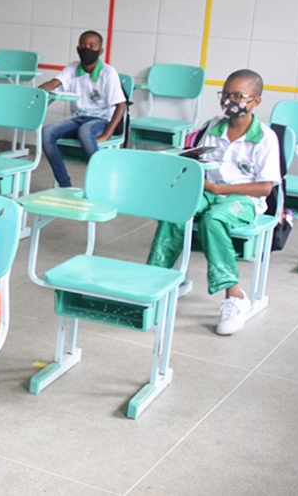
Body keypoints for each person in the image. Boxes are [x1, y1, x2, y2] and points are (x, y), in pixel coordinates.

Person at [147, 69, 279, 336]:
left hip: (245, 199)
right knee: (177, 211)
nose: (230, 101)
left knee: (214, 219)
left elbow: (266, 187)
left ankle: (235, 296)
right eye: (225, 95)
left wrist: (220, 188)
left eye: (238, 96)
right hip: (208, 191)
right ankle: (154, 282)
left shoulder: (265, 138)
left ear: (256, 101)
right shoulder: (213, 127)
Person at [38, 30, 127, 188]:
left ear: (100, 51)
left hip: (101, 121)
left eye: (92, 46)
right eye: (83, 45)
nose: (87, 49)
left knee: (85, 131)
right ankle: (65, 184)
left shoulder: (108, 72)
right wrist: (38, 91)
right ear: (78, 49)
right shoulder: (73, 68)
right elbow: (54, 83)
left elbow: (121, 105)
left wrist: (107, 134)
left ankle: (101, 182)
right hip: (78, 119)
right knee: (46, 132)